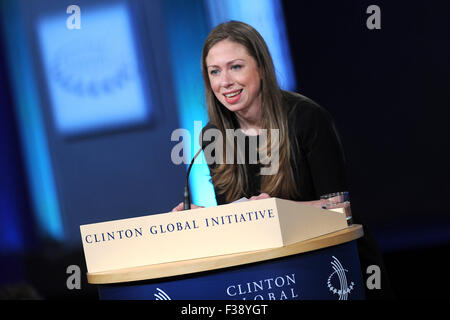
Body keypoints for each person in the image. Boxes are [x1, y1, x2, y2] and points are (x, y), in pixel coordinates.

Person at [172, 20, 394, 299]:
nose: (225, 81)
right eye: (214, 71)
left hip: (336, 269)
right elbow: (241, 223)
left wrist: (276, 209)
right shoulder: (212, 136)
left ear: (261, 68)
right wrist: (204, 219)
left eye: (235, 67)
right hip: (275, 277)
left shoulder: (306, 118)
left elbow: (341, 211)